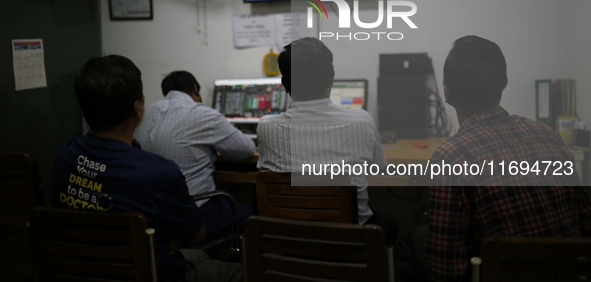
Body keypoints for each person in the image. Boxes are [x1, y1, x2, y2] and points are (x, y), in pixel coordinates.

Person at [395, 35, 591, 282]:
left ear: (446, 91)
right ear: (504, 82)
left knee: (409, 241)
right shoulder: (548, 134)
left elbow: (445, 270)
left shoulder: (450, 157)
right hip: (571, 274)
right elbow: (586, 217)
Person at [52, 55, 242, 282]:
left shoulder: (65, 154)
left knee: (199, 255)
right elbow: (195, 234)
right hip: (152, 272)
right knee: (242, 272)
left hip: (81, 270)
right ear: (138, 109)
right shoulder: (159, 172)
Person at [256, 37, 388, 226]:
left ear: (284, 83)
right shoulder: (362, 122)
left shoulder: (266, 127)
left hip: (289, 236)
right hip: (349, 237)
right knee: (390, 221)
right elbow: (379, 169)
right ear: (331, 77)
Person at [134, 70, 255, 238]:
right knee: (254, 215)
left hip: (152, 216)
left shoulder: (145, 113)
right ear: (195, 90)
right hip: (192, 213)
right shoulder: (203, 114)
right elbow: (246, 149)